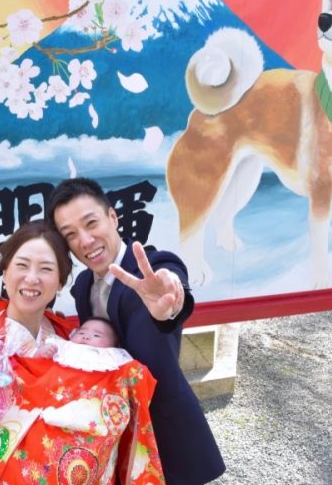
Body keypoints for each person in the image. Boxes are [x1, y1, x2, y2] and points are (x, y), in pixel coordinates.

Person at [0, 220, 163, 485]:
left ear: (60, 283)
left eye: (45, 269)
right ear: (5, 273)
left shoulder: (66, 333)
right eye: (21, 265)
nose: (31, 278)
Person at [47, 177, 226, 485]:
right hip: (113, 432)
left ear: (113, 217)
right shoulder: (82, 288)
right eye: (71, 235)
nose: (85, 240)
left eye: (91, 223)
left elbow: (172, 287)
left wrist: (170, 303)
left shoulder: (152, 267)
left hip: (166, 433)